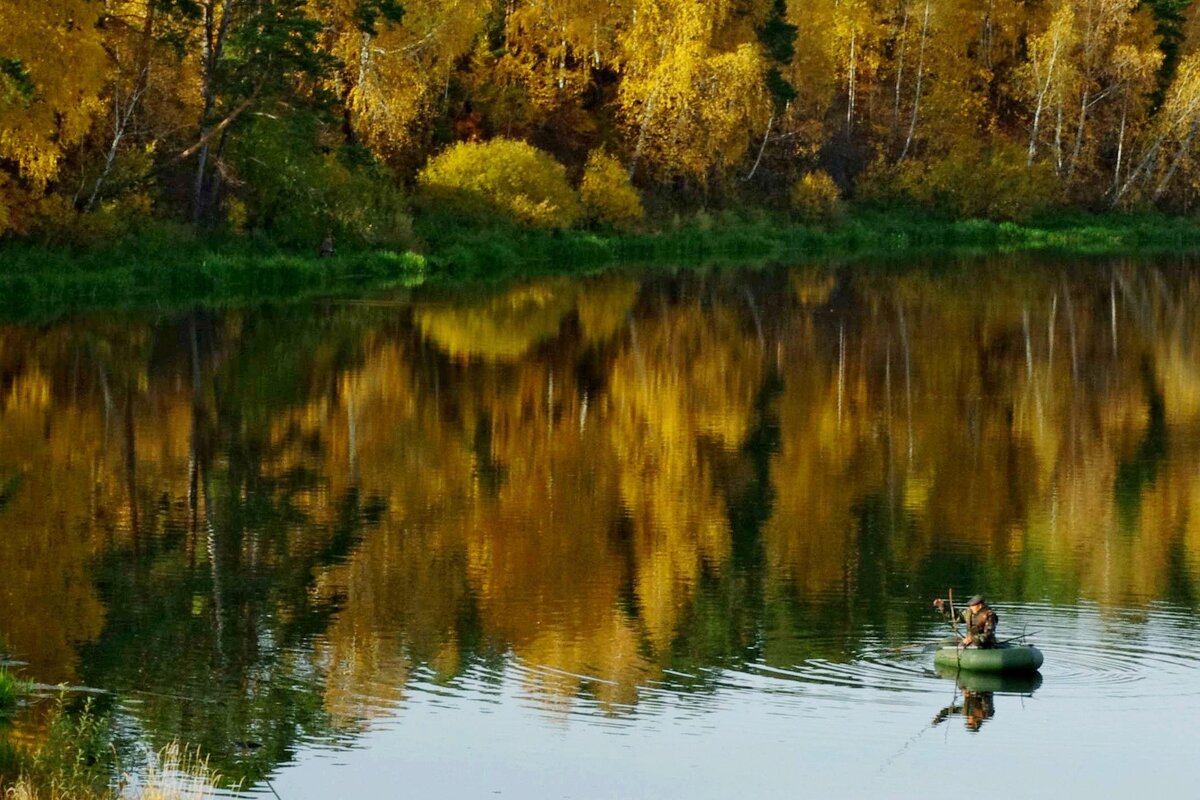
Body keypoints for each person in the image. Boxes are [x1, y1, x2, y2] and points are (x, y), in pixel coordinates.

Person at [932, 593, 998, 648]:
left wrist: (972, 639)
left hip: (984, 643)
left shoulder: (989, 615)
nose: (970, 607)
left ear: (980, 605)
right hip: (969, 641)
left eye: (973, 606)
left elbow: (989, 635)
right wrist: (942, 606)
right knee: (949, 643)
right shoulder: (969, 612)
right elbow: (957, 616)